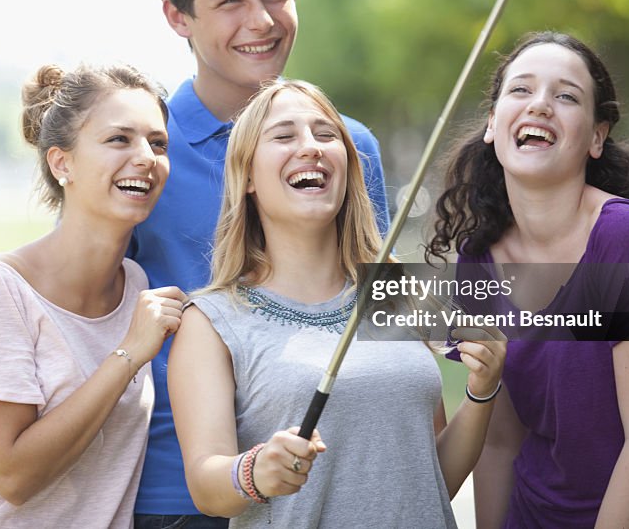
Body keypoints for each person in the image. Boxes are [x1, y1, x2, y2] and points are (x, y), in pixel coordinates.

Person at [0, 0, 390, 528]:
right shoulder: (148, 155)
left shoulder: (347, 149)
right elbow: (66, 287)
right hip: (174, 498)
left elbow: (378, 302)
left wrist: (514, 306)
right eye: (229, 2)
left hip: (323, 479)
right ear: (176, 16)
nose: (262, 21)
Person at [428, 31, 629, 528]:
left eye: (566, 95)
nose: (541, 106)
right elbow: (501, 440)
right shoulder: (477, 260)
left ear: (596, 136)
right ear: (492, 124)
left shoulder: (627, 234)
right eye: (521, 90)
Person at [169, 80, 506, 527]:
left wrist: (482, 393)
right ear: (247, 175)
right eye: (285, 136)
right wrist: (255, 471)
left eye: (327, 135)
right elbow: (206, 488)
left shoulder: (395, 295)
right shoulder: (211, 321)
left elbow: (431, 479)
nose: (310, 147)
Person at [0, 64, 187, 528]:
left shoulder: (136, 285)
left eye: (158, 143)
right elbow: (13, 476)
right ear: (61, 162)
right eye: (119, 139)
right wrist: (128, 354)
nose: (147, 156)